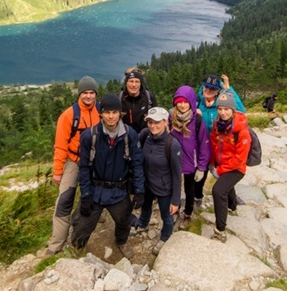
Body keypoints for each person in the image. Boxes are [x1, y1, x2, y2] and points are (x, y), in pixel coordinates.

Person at [72, 93, 145, 259]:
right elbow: (83, 167)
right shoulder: (90, 136)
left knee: (124, 220)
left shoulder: (129, 135)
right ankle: (77, 248)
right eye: (107, 112)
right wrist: (85, 195)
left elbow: (137, 164)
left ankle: (121, 241)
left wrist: (140, 190)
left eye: (114, 112)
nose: (111, 116)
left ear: (120, 113)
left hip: (118, 190)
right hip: (95, 189)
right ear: (101, 114)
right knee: (81, 224)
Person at [46, 76, 101, 255]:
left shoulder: (101, 110)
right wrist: (57, 171)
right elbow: (60, 145)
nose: (88, 96)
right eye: (85, 92)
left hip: (94, 162)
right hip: (74, 161)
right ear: (80, 94)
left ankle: (80, 239)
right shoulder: (69, 115)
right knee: (64, 201)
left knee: (92, 198)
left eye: (92, 93)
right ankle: (56, 246)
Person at [132, 107, 182, 255]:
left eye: (157, 122)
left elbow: (177, 174)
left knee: (166, 215)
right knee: (145, 207)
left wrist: (175, 200)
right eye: (150, 122)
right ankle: (142, 224)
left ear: (166, 122)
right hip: (147, 184)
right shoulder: (145, 135)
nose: (153, 126)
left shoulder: (172, 145)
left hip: (164, 187)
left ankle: (165, 236)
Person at [208, 91, 251, 243]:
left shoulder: (242, 132)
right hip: (222, 164)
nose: (223, 112)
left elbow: (240, 159)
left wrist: (219, 170)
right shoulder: (217, 125)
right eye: (220, 109)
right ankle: (232, 205)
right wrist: (212, 163)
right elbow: (214, 145)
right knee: (226, 186)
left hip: (236, 169)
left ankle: (220, 230)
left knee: (218, 190)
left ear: (233, 110)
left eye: (226, 109)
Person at [196, 73, 245, 208]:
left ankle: (232, 200)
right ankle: (198, 197)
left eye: (212, 89)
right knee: (201, 175)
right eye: (206, 87)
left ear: (218, 91)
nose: (208, 90)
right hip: (202, 147)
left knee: (225, 175)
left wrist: (229, 90)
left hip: (219, 147)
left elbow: (240, 111)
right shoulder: (198, 101)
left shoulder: (220, 105)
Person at [168, 85, 209, 230]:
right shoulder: (170, 118)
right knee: (175, 187)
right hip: (174, 161)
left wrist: (202, 167)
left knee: (189, 190)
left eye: (185, 102)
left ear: (191, 102)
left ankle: (187, 214)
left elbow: (204, 146)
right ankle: (175, 210)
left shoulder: (197, 121)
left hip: (191, 163)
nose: (182, 104)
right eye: (179, 101)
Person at [120, 68, 157, 133]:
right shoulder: (119, 98)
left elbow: (156, 119)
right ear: (126, 83)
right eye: (131, 81)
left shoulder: (149, 98)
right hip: (124, 138)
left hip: (144, 137)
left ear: (140, 83)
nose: (134, 85)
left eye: (137, 81)